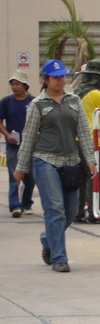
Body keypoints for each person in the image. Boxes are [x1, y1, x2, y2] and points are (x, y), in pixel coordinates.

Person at [14, 60, 97, 272]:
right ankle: (59, 258)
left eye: (62, 76)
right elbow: (29, 136)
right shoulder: (38, 104)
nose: (60, 80)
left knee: (69, 212)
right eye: (56, 77)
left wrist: (90, 159)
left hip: (71, 162)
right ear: (46, 80)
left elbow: (84, 132)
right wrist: (21, 168)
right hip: (45, 161)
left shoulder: (74, 101)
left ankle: (47, 238)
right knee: (55, 210)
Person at [73, 60, 100, 224]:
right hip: (91, 139)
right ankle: (94, 212)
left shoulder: (76, 93)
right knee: (96, 176)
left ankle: (78, 212)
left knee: (82, 178)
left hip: (76, 139)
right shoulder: (96, 94)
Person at [0, 69, 36, 218]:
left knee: (31, 177)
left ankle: (26, 203)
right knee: (14, 176)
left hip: (31, 146)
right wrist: (8, 135)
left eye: (17, 84)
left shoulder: (33, 102)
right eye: (12, 84)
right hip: (13, 146)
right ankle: (15, 206)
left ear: (25, 85)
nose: (14, 87)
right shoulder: (6, 102)